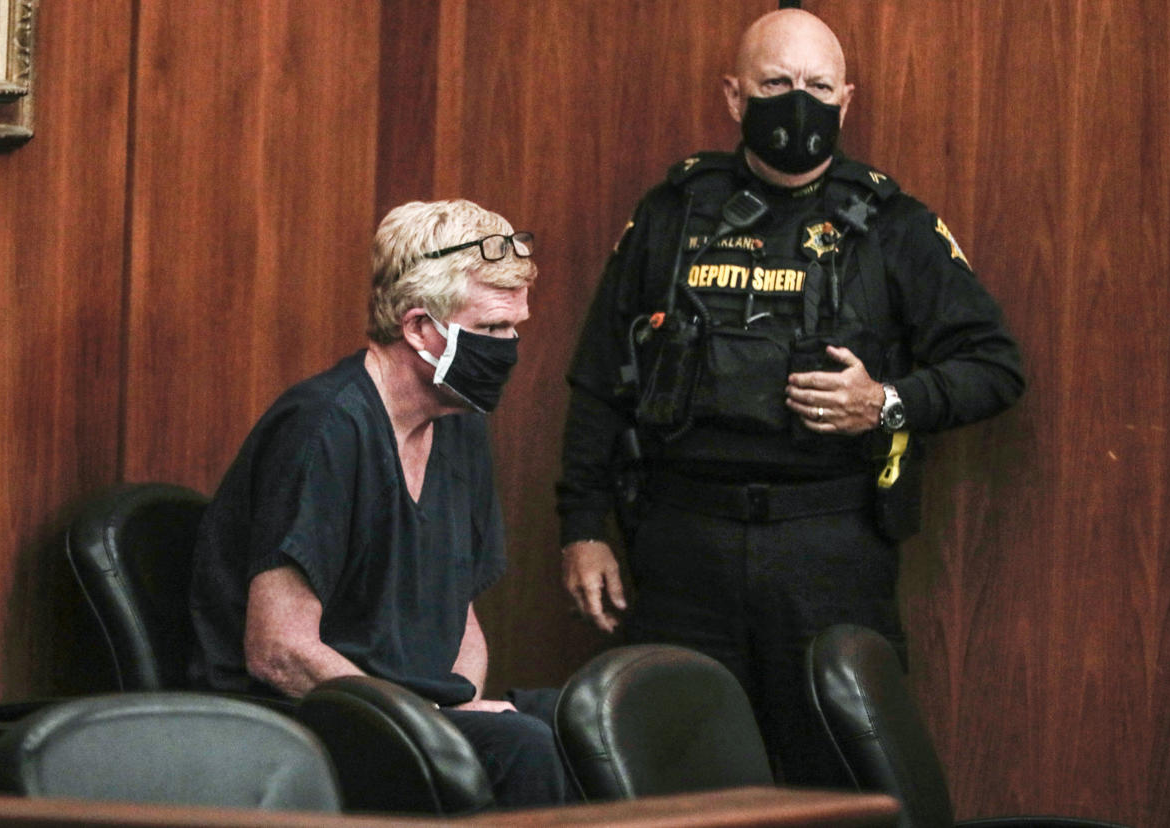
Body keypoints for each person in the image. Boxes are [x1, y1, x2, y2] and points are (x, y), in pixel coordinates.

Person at [557, 9, 1024, 787]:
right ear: (735, 98)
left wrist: (886, 402)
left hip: (829, 550)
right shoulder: (672, 215)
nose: (796, 101)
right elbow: (598, 380)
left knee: (833, 785)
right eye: (776, 84)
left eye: (816, 85)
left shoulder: (894, 226)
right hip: (682, 549)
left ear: (847, 100)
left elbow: (996, 367)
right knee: (675, 782)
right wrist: (581, 525)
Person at [188, 199, 571, 808]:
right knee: (524, 746)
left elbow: (459, 617)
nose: (511, 347)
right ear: (420, 328)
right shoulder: (324, 428)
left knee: (589, 724)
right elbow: (279, 651)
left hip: (411, 705)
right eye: (493, 329)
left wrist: (460, 704)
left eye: (515, 326)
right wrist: (425, 723)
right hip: (308, 716)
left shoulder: (458, 418)